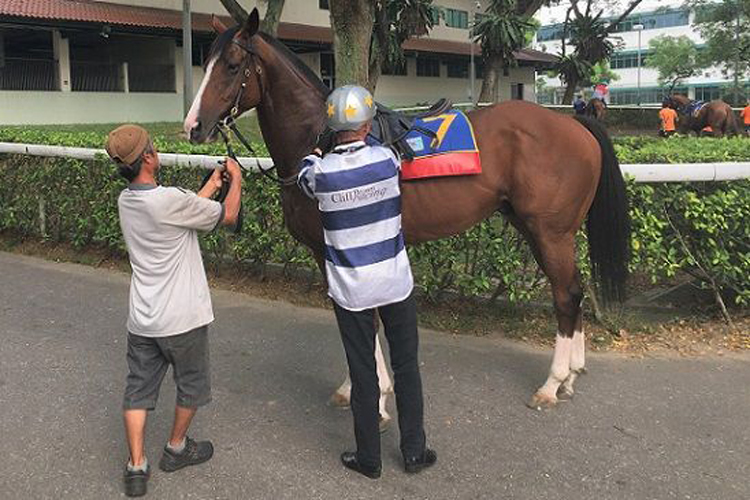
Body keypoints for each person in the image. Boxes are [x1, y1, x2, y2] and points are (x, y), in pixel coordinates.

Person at [297, 85, 436, 479]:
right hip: (395, 282)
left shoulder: (319, 174)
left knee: (362, 373)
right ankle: (414, 451)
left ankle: (369, 459)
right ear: (369, 124)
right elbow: (393, 150)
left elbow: (305, 172)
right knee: (406, 365)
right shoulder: (388, 161)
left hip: (351, 292)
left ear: (331, 127)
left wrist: (320, 148)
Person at [105, 124, 242, 497]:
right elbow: (226, 216)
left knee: (138, 390)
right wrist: (237, 182)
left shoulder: (128, 200)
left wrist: (212, 185)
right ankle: (176, 448)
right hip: (183, 319)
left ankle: (136, 466)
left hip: (144, 319)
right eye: (154, 147)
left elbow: (184, 215)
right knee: (192, 386)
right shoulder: (168, 200)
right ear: (148, 157)